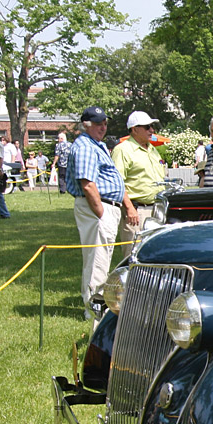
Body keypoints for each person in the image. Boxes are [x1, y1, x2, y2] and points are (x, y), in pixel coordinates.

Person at [66, 105, 136, 319]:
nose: (103, 127)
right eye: (98, 124)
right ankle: (93, 311)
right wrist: (101, 214)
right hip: (98, 207)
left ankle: (96, 306)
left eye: (105, 123)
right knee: (97, 260)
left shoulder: (96, 145)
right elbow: (88, 184)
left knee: (101, 258)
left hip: (105, 206)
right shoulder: (86, 146)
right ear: (86, 125)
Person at [111, 111, 166, 257]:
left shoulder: (153, 149)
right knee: (135, 256)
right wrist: (130, 209)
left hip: (158, 210)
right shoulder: (122, 150)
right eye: (147, 127)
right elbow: (117, 183)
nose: (152, 130)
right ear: (134, 129)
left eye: (152, 126)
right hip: (137, 211)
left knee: (156, 255)